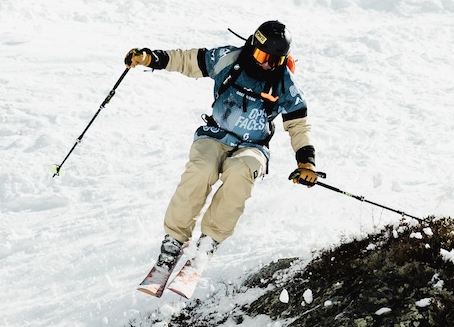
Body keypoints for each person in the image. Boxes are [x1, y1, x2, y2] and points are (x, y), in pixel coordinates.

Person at [125, 21, 320, 297]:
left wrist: (306, 162)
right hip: (215, 134)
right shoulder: (229, 59)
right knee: (201, 169)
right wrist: (150, 58)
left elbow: (299, 124)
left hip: (253, 147)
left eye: (275, 60)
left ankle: (206, 247)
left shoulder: (283, 82)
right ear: (253, 46)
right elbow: (188, 60)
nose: (267, 66)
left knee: (241, 172)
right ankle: (172, 245)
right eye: (263, 57)